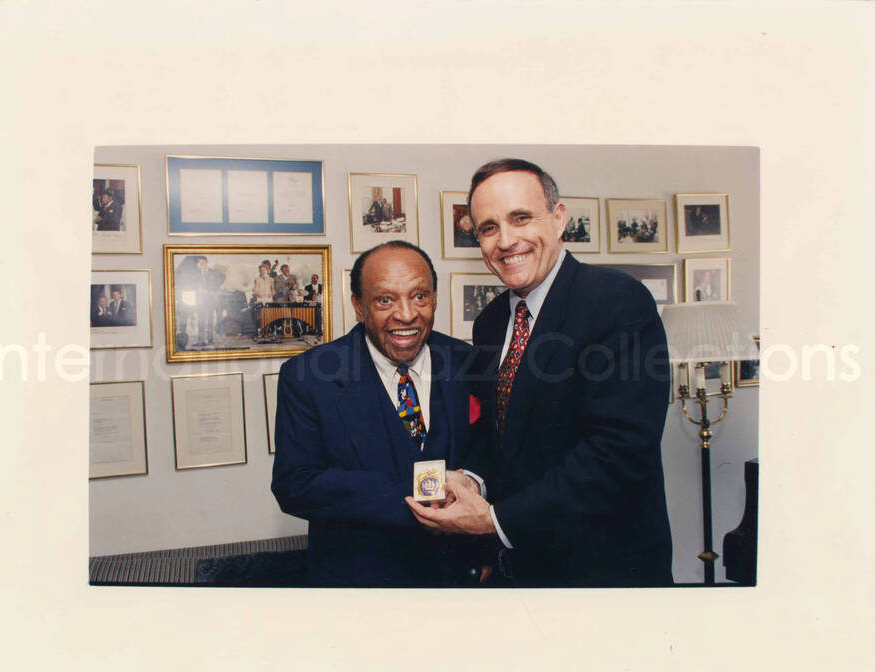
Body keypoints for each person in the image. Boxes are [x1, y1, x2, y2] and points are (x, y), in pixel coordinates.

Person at [406, 158, 673, 587]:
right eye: (489, 228)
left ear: (559, 217)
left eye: (521, 218)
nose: (506, 241)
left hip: (605, 572)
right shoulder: (491, 321)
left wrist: (494, 519)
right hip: (524, 569)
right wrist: (470, 480)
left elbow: (618, 453)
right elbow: (502, 436)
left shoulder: (618, 302)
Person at [271, 241, 482, 586]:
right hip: (360, 587)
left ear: (435, 297)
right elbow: (295, 484)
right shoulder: (309, 376)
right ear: (358, 305)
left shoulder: (467, 360)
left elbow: (488, 451)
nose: (406, 315)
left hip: (458, 581)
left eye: (419, 296)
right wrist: (426, 488)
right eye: (385, 300)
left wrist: (474, 484)